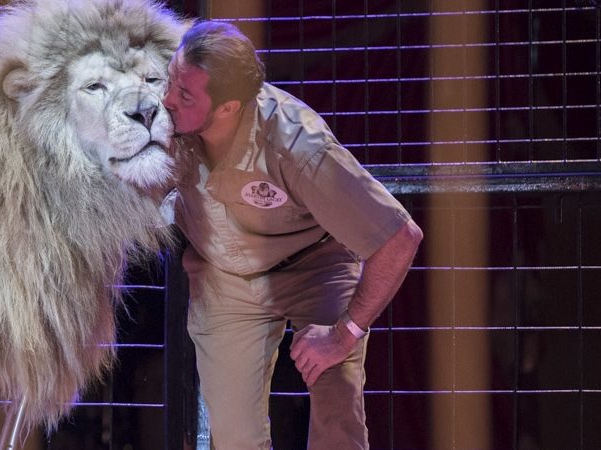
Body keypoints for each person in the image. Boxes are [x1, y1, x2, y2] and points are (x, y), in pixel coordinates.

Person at [162, 21, 423, 449]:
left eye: (185, 94)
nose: (168, 98)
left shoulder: (299, 146)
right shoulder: (163, 113)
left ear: (228, 107)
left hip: (313, 265)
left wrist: (343, 335)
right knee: (233, 436)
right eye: (171, 79)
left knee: (337, 406)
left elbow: (400, 238)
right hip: (223, 274)